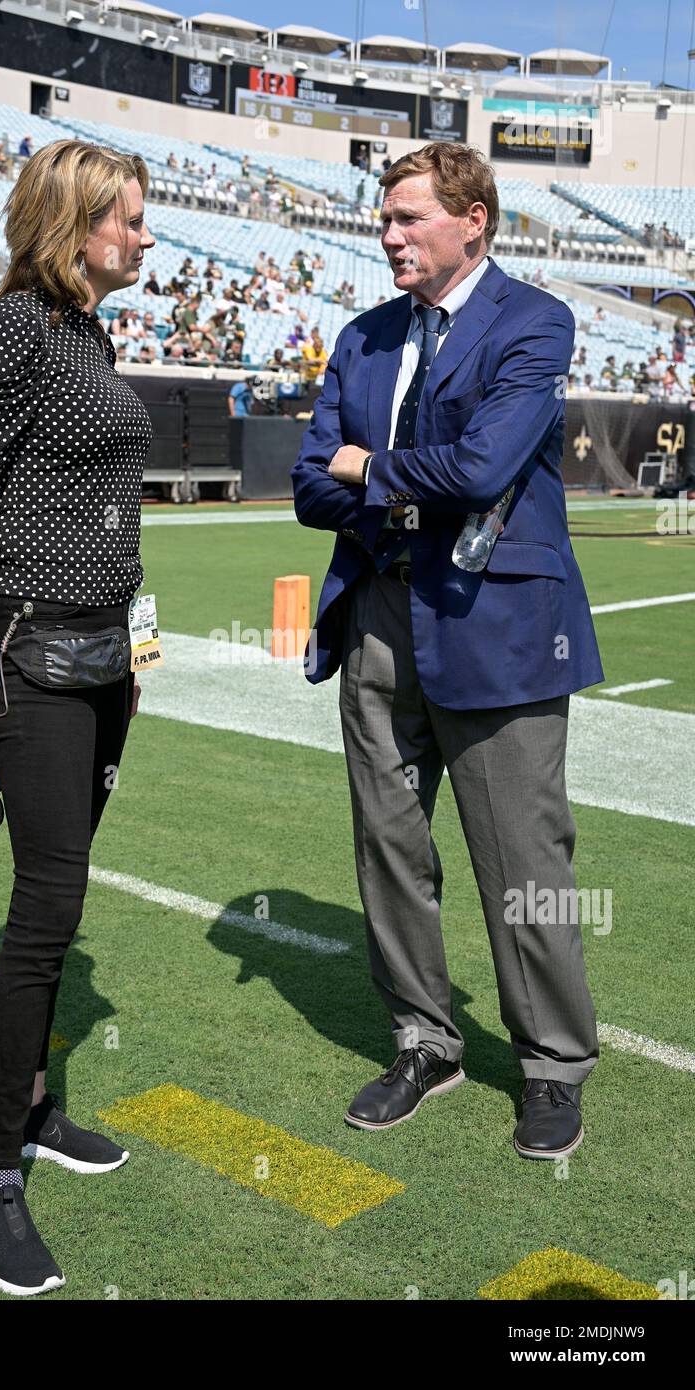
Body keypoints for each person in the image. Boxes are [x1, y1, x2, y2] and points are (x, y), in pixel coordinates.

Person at [291, 142, 603, 1161]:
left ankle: (553, 1063)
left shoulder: (536, 321)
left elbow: (483, 466)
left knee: (523, 856)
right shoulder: (364, 334)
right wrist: (390, 480)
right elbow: (306, 485)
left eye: (408, 217)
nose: (389, 235)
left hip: (494, 622)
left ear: (473, 220)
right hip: (379, 612)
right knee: (388, 846)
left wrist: (371, 466)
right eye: (383, 219)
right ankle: (425, 1039)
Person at [0, 138, 156, 1296]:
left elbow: (100, 503)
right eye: (128, 219)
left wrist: (140, 643)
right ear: (73, 227)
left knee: (58, 905)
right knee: (44, 907)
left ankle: (28, 1108)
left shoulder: (89, 332)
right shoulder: (11, 329)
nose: (145, 237)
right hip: (33, 661)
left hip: (106, 658)